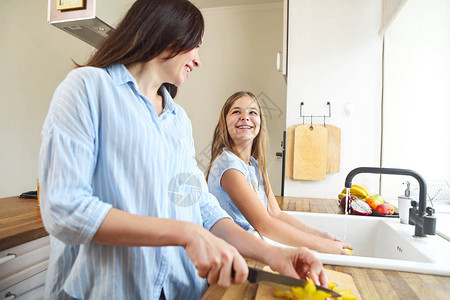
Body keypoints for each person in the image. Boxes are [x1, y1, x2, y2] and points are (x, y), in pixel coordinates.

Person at [39, 1, 328, 299]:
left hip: (181, 290)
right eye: (195, 46)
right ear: (166, 32)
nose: (198, 60)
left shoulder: (178, 120)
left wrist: (274, 256)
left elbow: (202, 207)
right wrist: (185, 233)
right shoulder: (87, 88)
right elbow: (64, 208)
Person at [207, 91, 353, 255]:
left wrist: (322, 236)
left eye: (252, 112)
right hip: (231, 254)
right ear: (224, 122)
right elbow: (264, 224)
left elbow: (276, 214)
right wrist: (322, 246)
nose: (245, 117)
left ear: (260, 123)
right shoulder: (228, 166)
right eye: (236, 111)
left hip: (249, 247)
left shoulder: (255, 165)